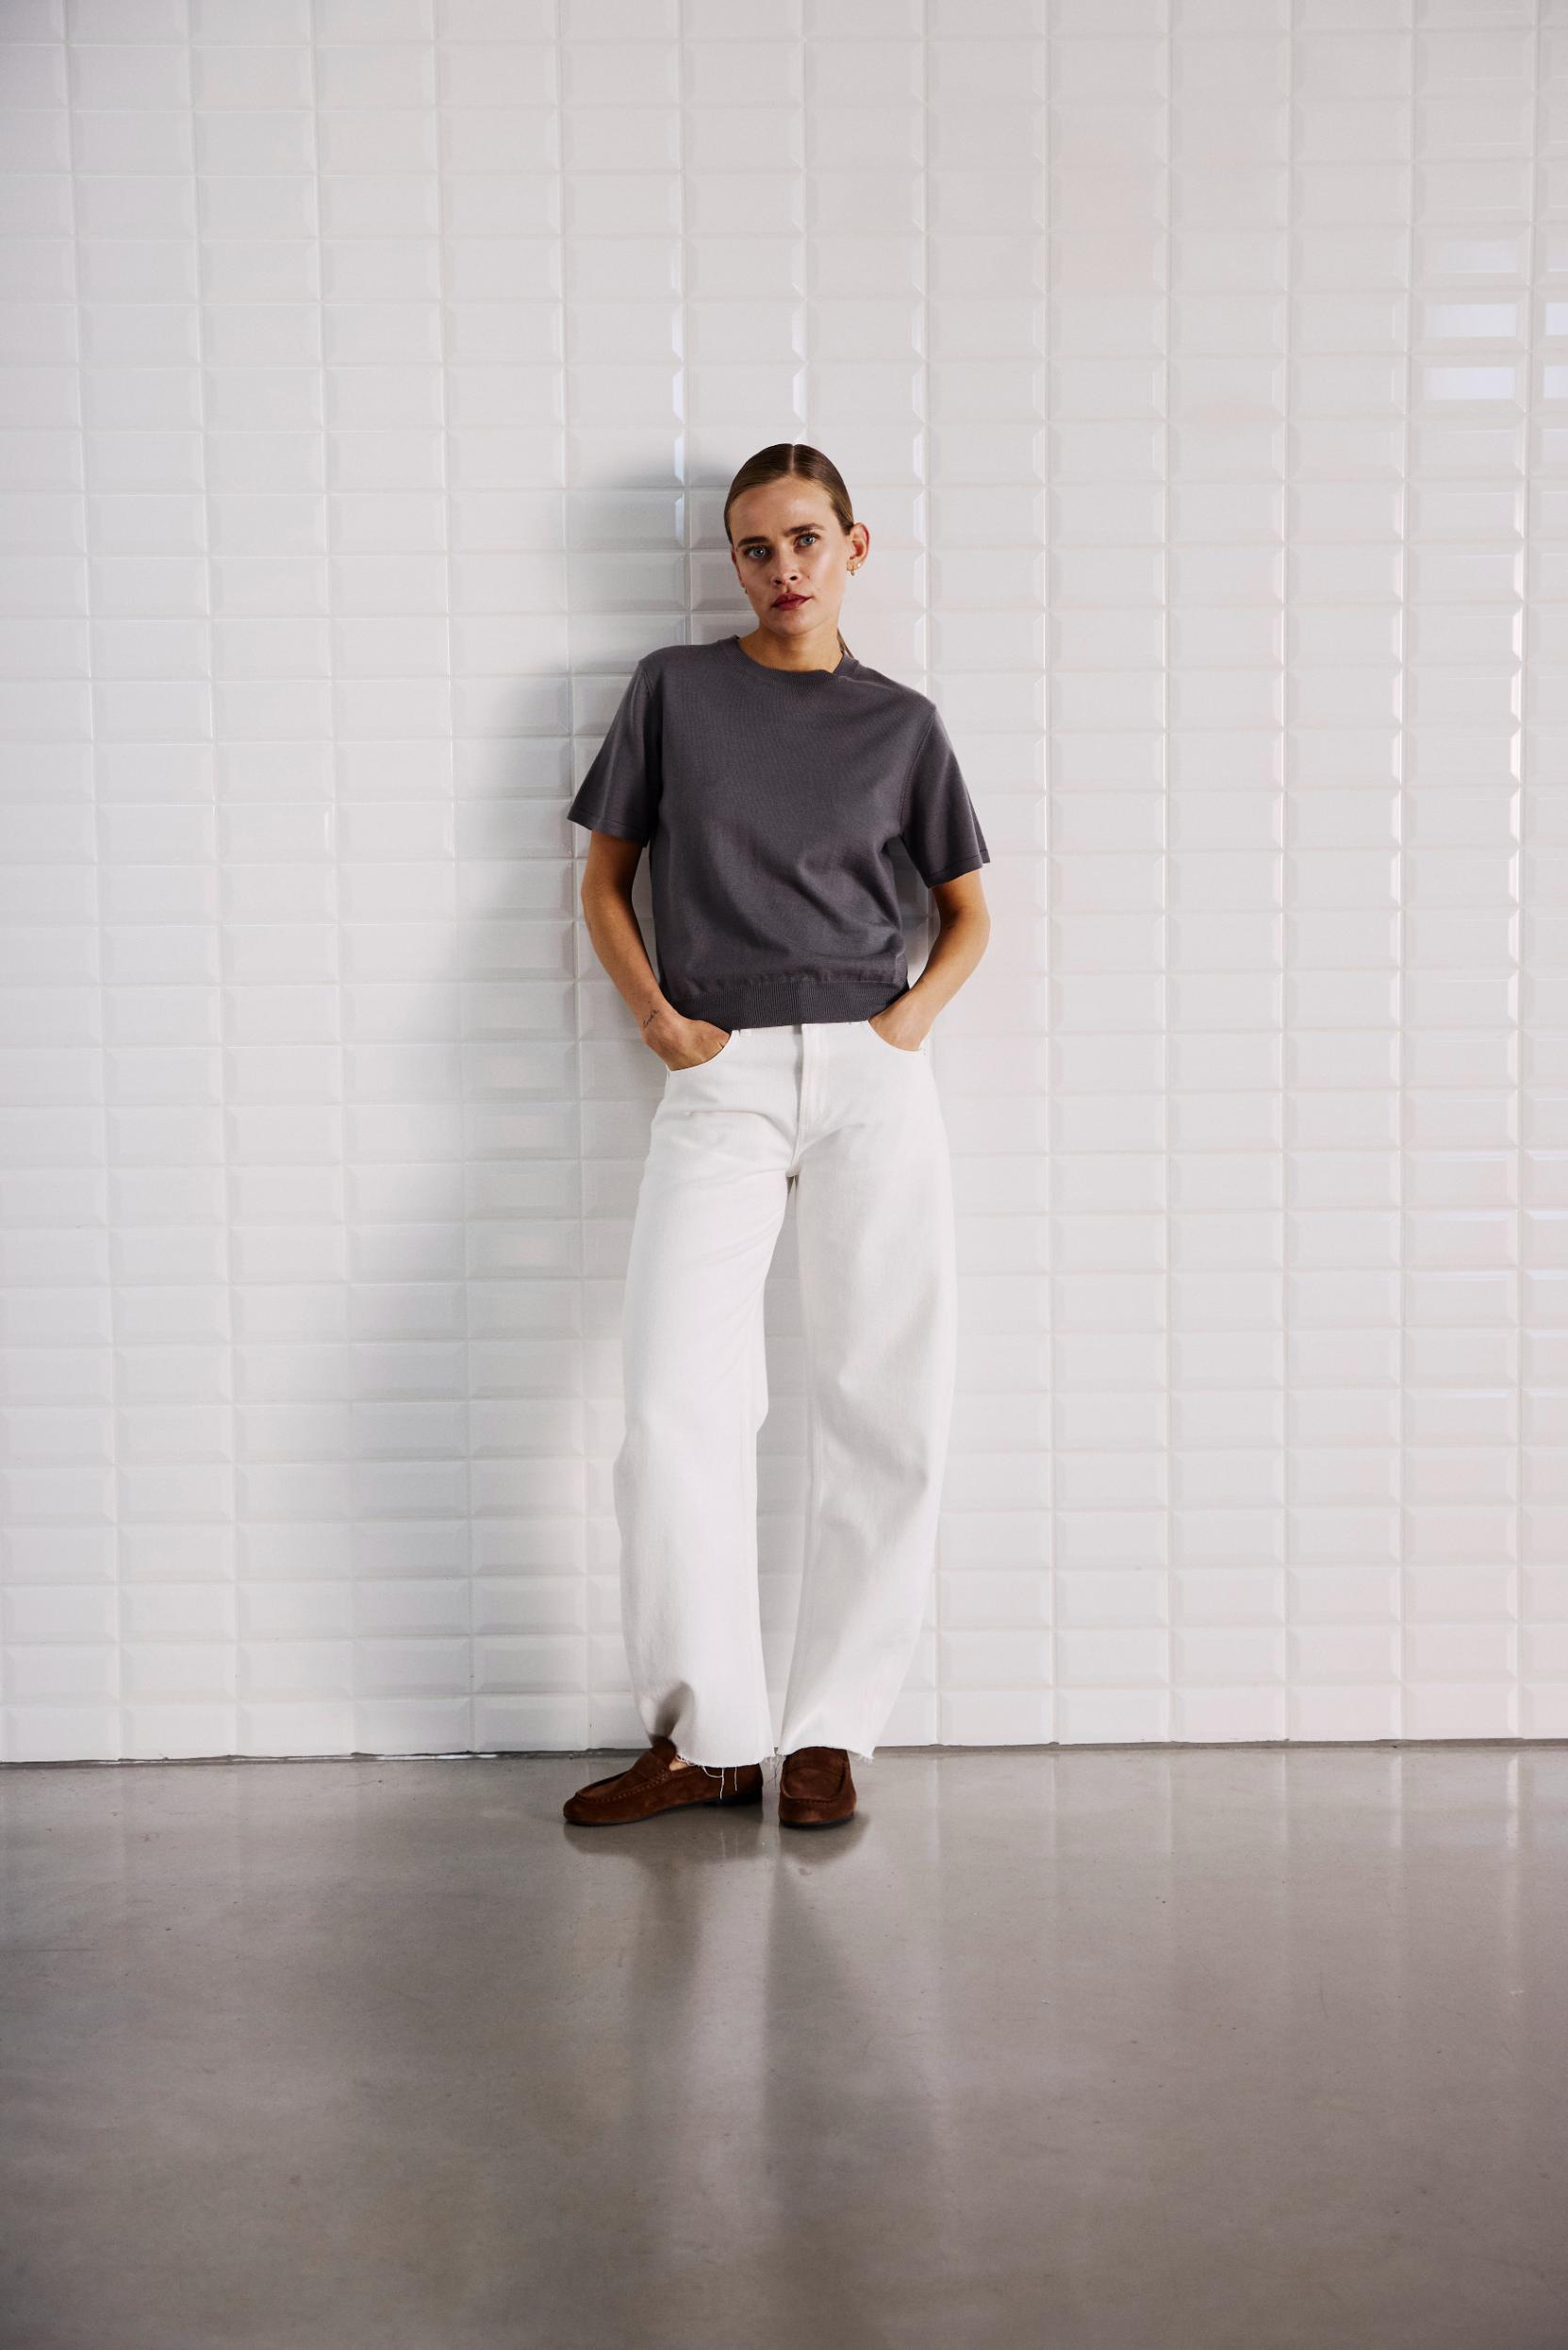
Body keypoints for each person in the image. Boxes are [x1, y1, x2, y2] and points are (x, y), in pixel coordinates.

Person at [562, 441, 991, 1830]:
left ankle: (830, 1735)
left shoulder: (903, 724)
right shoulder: (675, 692)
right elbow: (605, 882)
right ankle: (711, 1738)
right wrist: (660, 1022)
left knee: (883, 1402)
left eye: (806, 540)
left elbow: (970, 913)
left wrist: (902, 1027)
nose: (782, 568)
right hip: (720, 1073)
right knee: (673, 1406)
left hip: (872, 1073)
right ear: (734, 562)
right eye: (756, 547)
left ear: (855, 547)